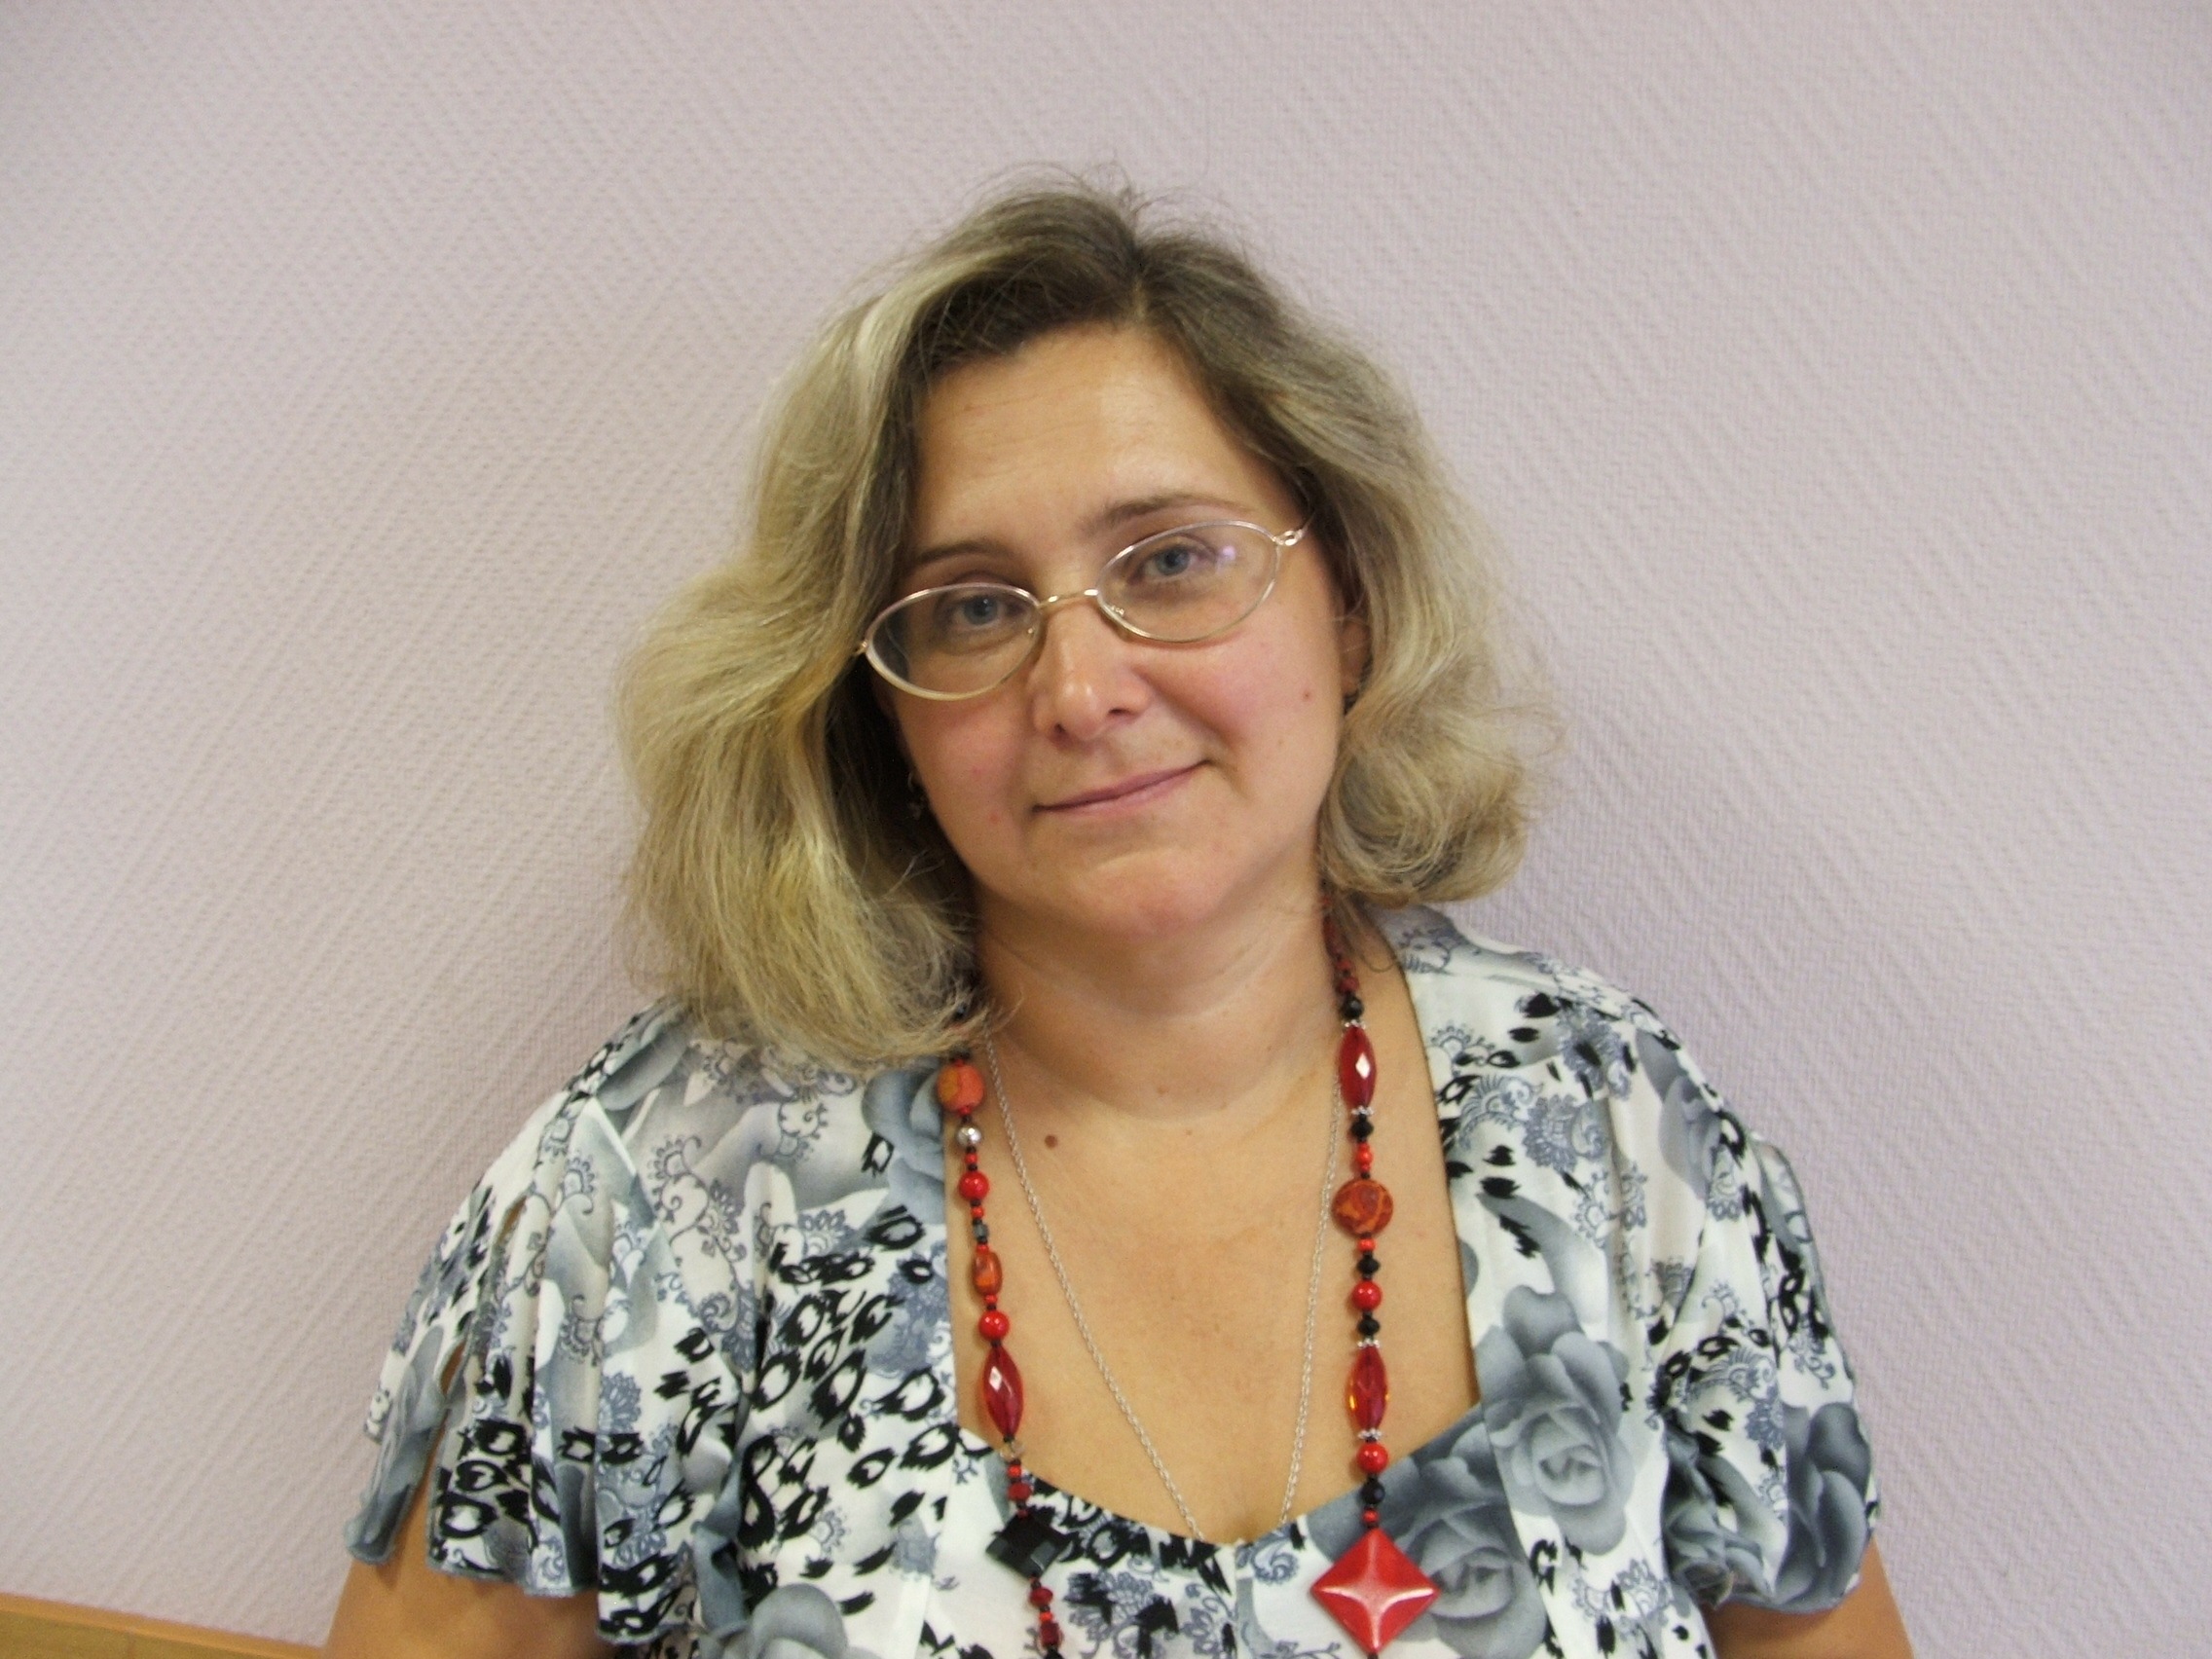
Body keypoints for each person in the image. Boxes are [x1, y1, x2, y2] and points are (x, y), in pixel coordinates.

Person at [321, 182, 1910, 1659]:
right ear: (880, 706)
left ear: (1350, 604)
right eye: (973, 607)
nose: (1081, 691)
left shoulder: (1615, 1129)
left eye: (1171, 561)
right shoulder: (652, 1201)